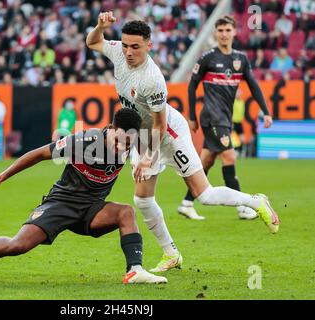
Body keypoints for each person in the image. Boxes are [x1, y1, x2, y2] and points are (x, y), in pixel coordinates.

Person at [86, 13, 279, 273]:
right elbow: (92, 43)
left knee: (205, 195)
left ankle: (255, 202)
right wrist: (99, 26)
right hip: (144, 136)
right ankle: (171, 254)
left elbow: (160, 125)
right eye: (125, 45)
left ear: (149, 45)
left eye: (135, 47)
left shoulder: (152, 79)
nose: (129, 52)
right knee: (142, 200)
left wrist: (147, 156)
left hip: (168, 134)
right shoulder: (119, 53)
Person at [0, 109, 167, 284]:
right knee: (18, 245)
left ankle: (135, 270)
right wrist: (1, 177)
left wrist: (147, 157)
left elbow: (159, 134)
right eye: (118, 141)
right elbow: (38, 154)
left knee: (126, 211)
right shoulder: (84, 141)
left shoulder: (133, 142)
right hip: (61, 204)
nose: (121, 147)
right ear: (109, 128)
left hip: (92, 209)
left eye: (127, 143)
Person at [178, 15, 274, 221]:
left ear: (234, 32)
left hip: (224, 117)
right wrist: (192, 116)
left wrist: (265, 111)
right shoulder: (208, 57)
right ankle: (242, 207)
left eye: (227, 30)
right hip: (212, 117)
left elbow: (253, 85)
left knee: (207, 160)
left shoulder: (241, 58)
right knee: (229, 156)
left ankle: (186, 203)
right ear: (215, 33)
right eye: (220, 30)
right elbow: (192, 85)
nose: (224, 34)